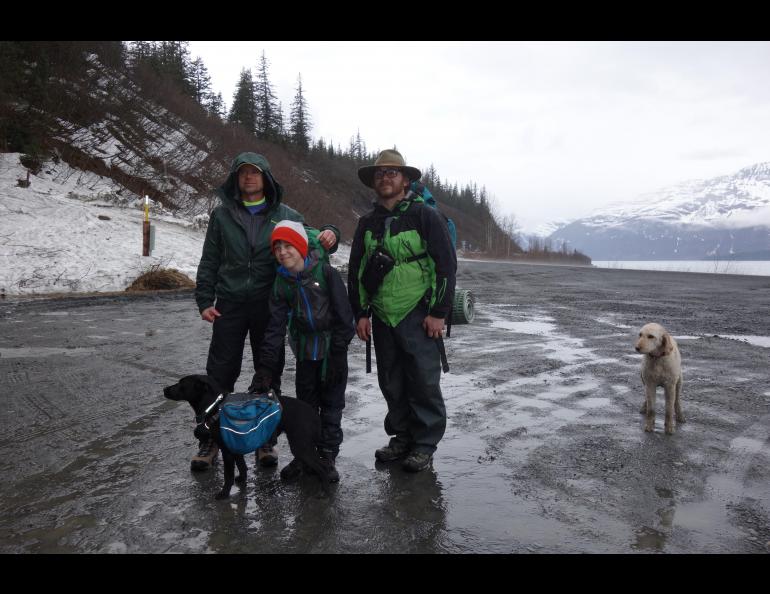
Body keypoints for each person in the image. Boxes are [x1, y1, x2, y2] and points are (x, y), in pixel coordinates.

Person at [193, 152, 339, 472]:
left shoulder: (285, 214)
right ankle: (212, 438)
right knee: (219, 373)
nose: (249, 178)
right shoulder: (222, 216)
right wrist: (205, 299)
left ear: (267, 179)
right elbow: (209, 260)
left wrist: (332, 231)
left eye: (255, 173)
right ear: (235, 178)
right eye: (243, 172)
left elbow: (314, 237)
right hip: (229, 303)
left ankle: (266, 438)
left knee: (268, 369)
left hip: (269, 301)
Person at [347, 149, 456, 472]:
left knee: (423, 380)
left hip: (418, 312)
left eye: (392, 173)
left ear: (405, 180)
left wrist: (439, 312)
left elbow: (446, 266)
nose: (385, 178)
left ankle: (424, 445)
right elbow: (357, 271)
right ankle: (402, 438)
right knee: (391, 380)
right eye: (380, 173)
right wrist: (361, 313)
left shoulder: (425, 216)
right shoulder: (367, 222)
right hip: (381, 314)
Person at [251, 220, 355, 483]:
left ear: (300, 246)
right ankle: (305, 456)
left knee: (331, 407)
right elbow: (274, 330)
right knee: (306, 409)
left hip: (332, 351)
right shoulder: (281, 284)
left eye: (288, 246)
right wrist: (264, 368)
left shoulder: (326, 274)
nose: (283, 252)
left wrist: (337, 356)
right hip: (306, 351)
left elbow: (346, 319)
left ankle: (327, 456)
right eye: (278, 248)